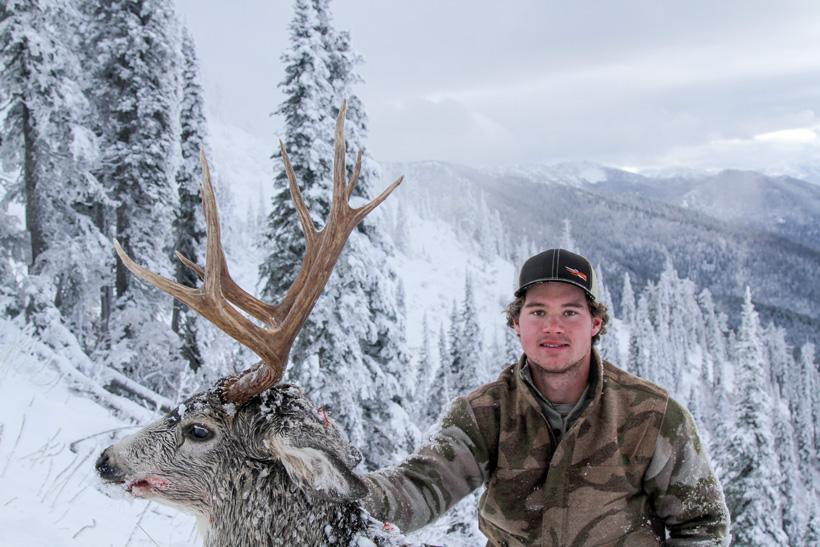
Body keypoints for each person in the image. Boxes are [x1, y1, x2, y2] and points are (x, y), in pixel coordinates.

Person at [362, 249, 730, 546]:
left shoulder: (652, 415)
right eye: (538, 312)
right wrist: (342, 490)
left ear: (596, 323)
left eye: (570, 312)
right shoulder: (484, 414)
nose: (553, 326)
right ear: (516, 323)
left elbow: (702, 525)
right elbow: (419, 487)